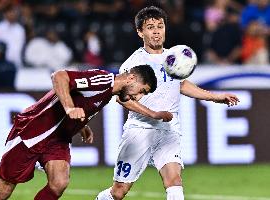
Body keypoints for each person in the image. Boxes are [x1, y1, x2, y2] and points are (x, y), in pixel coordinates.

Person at [96, 6, 240, 200]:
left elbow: (181, 84)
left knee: (174, 182)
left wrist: (215, 97)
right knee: (119, 191)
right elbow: (123, 99)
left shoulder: (173, 57)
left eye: (160, 26)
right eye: (150, 27)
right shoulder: (134, 63)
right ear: (140, 32)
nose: (156, 31)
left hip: (169, 129)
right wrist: (153, 114)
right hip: (140, 130)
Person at [0, 64, 170, 200]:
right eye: (142, 91)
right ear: (131, 79)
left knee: (59, 183)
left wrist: (81, 125)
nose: (138, 97)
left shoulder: (110, 92)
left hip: (58, 139)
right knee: (4, 188)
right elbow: (59, 77)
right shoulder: (103, 80)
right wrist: (69, 108)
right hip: (33, 133)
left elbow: (118, 100)